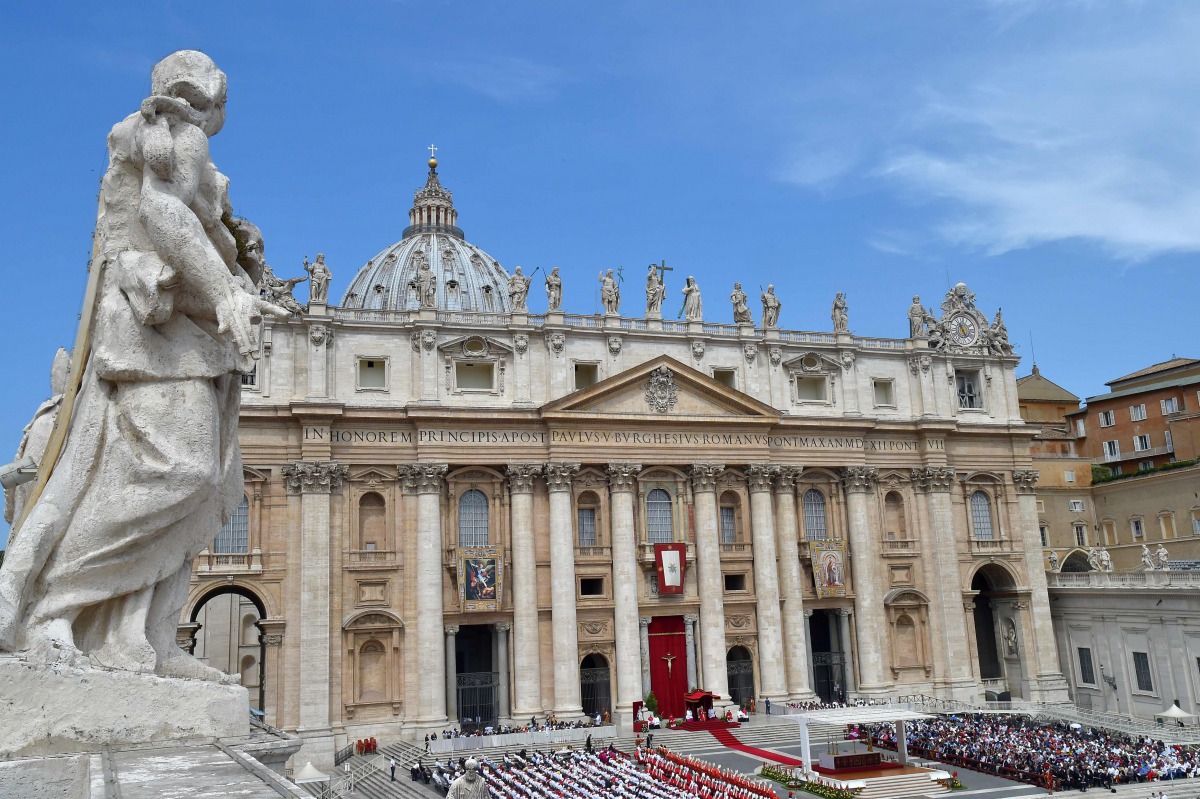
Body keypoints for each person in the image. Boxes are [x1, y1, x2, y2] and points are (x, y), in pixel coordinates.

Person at [0, 50, 287, 672]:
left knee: (212, 484)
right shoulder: (168, 137)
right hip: (154, 334)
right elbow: (163, 213)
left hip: (187, 336)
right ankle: (55, 605)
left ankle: (144, 636)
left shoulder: (184, 150)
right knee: (181, 472)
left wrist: (237, 267)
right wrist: (226, 290)